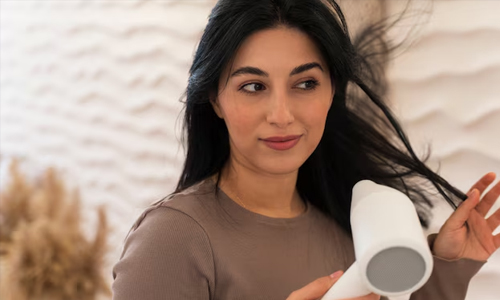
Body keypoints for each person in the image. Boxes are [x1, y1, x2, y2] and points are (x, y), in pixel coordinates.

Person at [111, 0, 500, 299]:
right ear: (215, 99)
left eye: (305, 84)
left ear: (332, 91)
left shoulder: (346, 225)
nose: (281, 115)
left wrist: (449, 263)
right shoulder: (173, 240)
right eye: (253, 86)